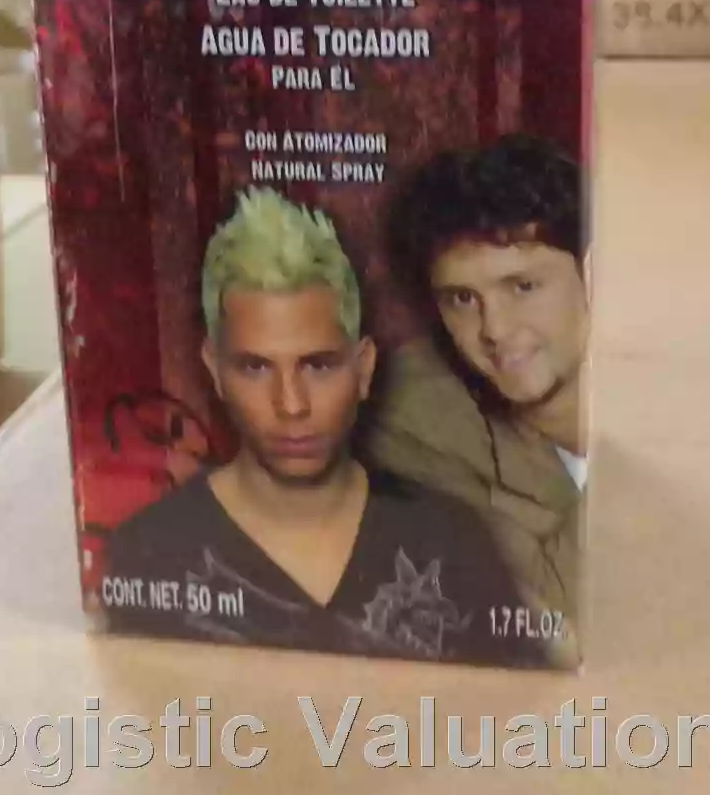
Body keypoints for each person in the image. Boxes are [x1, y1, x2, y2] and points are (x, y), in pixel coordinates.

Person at [102, 187, 546, 666]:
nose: (291, 405)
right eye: (256, 367)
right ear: (214, 371)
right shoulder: (148, 552)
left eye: (318, 365)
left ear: (364, 368)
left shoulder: (452, 542)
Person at [364, 136, 588, 643]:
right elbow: (550, 621)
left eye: (523, 287)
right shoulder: (414, 423)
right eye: (463, 298)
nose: (495, 330)